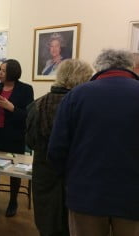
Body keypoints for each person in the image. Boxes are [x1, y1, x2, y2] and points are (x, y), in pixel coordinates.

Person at [48, 49, 139, 235]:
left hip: (85, 195)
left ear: (98, 67)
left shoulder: (76, 95)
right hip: (133, 198)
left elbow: (56, 149)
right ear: (131, 67)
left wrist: (70, 180)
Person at [26, 59, 93, 236]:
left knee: (46, 223)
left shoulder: (37, 104)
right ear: (81, 79)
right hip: (74, 174)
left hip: (43, 172)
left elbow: (30, 142)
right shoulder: (83, 106)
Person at [0, 59, 34, 217]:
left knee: (15, 170)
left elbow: (28, 115)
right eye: (0, 69)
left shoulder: (26, 89)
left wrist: (11, 107)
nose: (0, 72)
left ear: (13, 72)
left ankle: (13, 201)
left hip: (15, 136)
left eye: (4, 70)